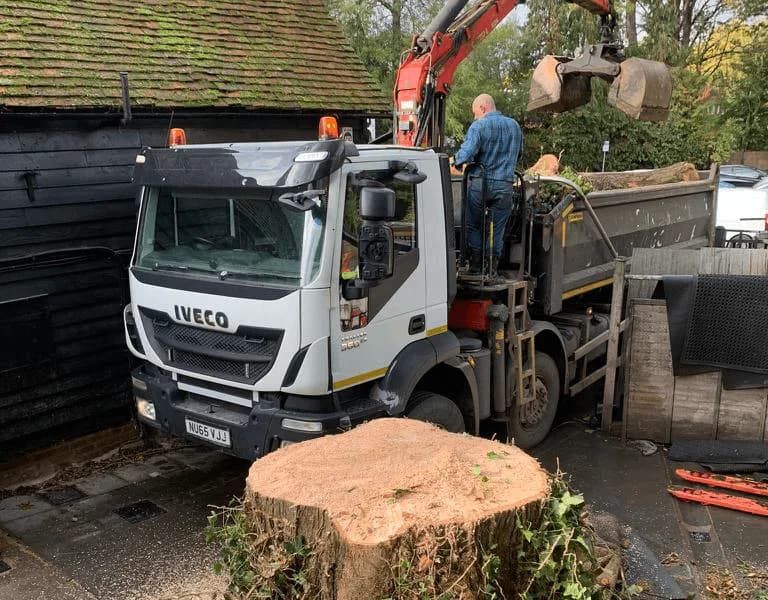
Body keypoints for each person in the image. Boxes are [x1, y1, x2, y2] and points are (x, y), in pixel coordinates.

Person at [452, 94, 523, 273]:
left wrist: (454, 161)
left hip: (480, 183)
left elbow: (466, 153)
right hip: (505, 185)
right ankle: (491, 267)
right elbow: (519, 154)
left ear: (483, 108)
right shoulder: (514, 126)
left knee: (474, 224)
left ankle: (476, 266)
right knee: (497, 228)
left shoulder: (479, 126)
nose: (474, 117)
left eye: (475, 112)